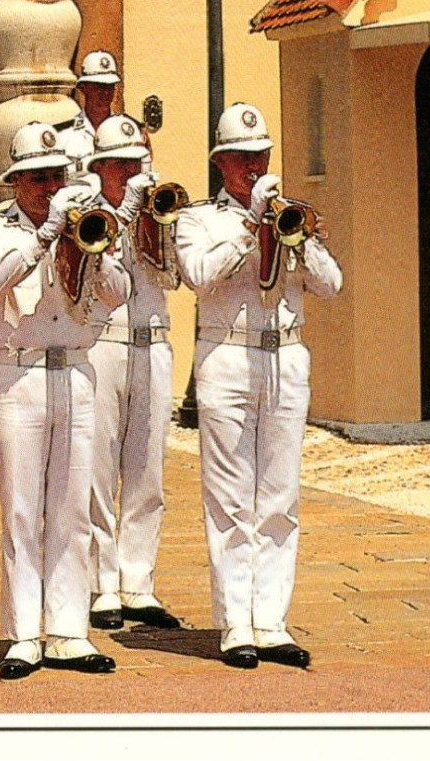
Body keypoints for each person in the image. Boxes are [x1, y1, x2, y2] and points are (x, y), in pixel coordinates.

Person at [174, 102, 341, 670]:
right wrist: (250, 226)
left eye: (260, 156)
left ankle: (271, 620)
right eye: (241, 158)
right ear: (221, 164)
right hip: (227, 354)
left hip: (286, 355)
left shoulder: (289, 216)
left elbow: (331, 284)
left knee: (280, 497)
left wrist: (300, 237)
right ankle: (234, 622)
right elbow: (198, 275)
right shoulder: (201, 220)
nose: (252, 166)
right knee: (228, 496)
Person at [0, 122, 129, 679]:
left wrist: (92, 248)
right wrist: (44, 237)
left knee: (71, 508)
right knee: (20, 508)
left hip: (76, 371)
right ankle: (22, 633)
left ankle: (68, 629)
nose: (49, 187)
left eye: (56, 176)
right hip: (20, 375)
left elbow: (120, 292)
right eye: (37, 178)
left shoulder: (82, 229)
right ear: (16, 183)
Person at [82, 115, 182, 632]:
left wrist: (158, 225)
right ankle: (101, 584)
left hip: (153, 341)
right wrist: (121, 214)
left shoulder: (156, 207)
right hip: (103, 343)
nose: (130, 173)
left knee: (147, 472)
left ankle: (138, 581)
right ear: (99, 168)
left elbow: (174, 276)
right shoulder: (86, 211)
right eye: (119, 164)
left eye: (136, 163)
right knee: (98, 470)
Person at [56, 49, 121, 169]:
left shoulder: (127, 134)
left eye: (110, 86)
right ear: (83, 88)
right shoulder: (63, 136)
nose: (105, 92)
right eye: (98, 86)